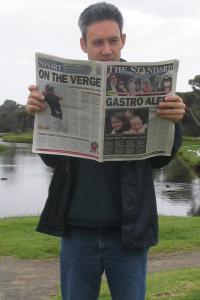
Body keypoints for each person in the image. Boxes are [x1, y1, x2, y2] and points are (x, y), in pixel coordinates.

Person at [26, 2, 185, 300]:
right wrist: (39, 116)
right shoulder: (59, 86)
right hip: (76, 231)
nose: (107, 49)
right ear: (83, 44)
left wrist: (175, 122)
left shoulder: (148, 86)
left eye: (113, 40)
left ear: (123, 40)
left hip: (129, 233)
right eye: (97, 42)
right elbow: (51, 159)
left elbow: (160, 160)